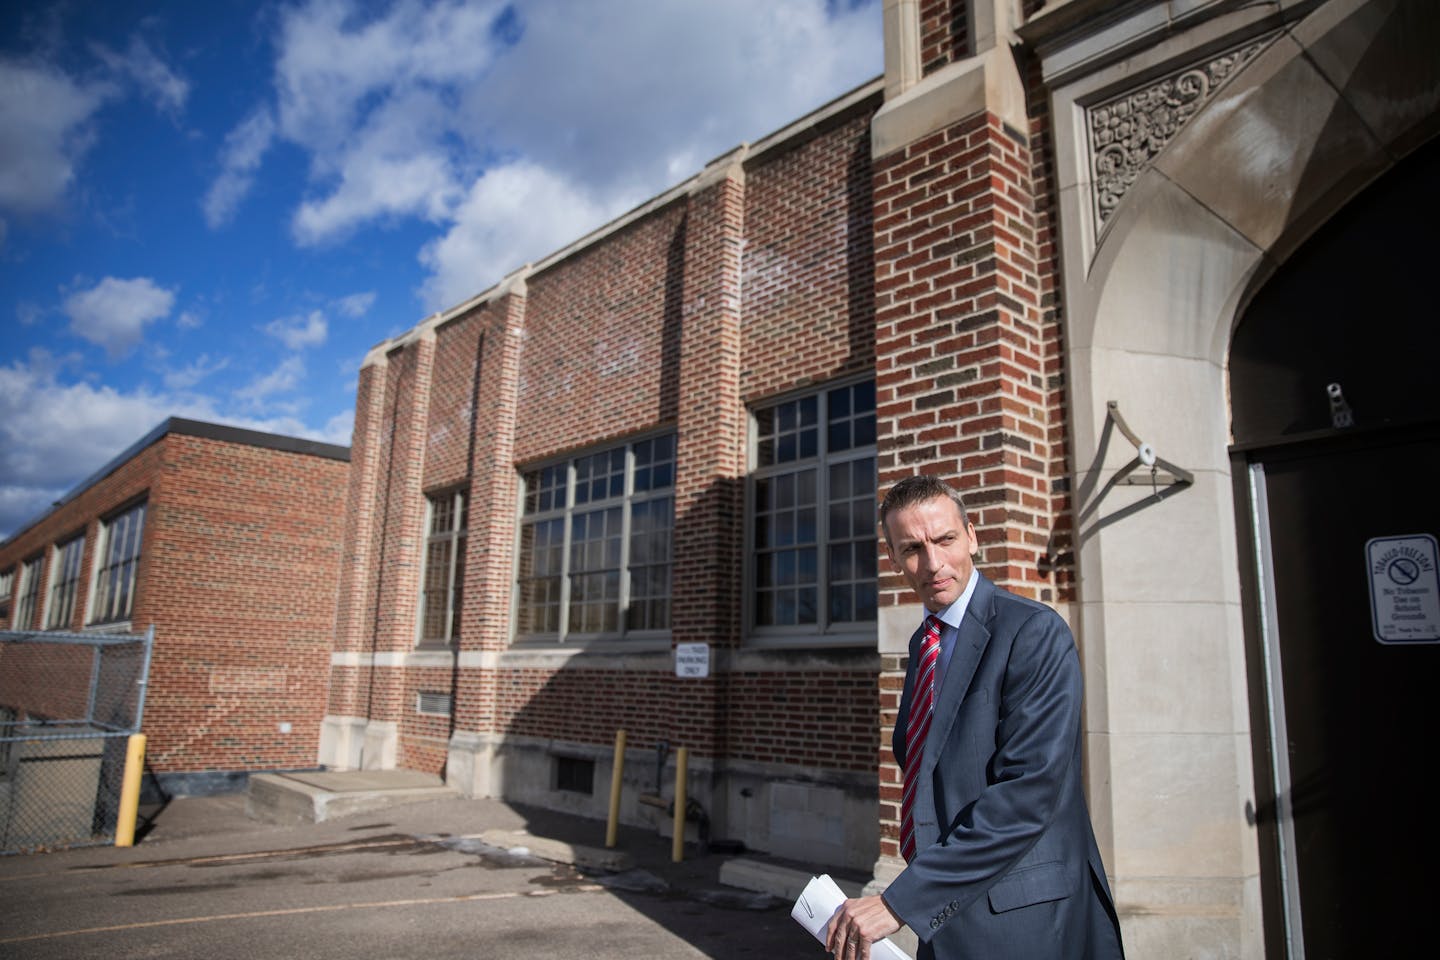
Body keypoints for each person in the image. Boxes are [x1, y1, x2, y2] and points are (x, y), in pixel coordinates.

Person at [826, 474, 1124, 959]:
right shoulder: (924, 644)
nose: (933, 563)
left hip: (1023, 920)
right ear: (895, 559)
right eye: (912, 549)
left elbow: (1026, 795)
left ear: (972, 537)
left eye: (945, 539)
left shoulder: (1032, 632)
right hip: (948, 913)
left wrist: (900, 902)